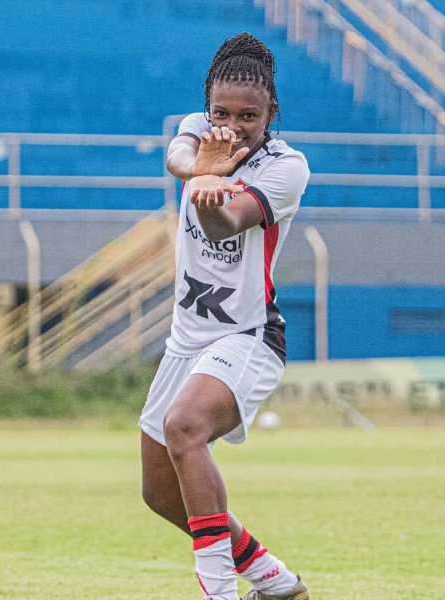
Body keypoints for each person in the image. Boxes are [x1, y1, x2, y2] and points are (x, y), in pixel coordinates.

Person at [141, 32, 311, 599]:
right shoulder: (198, 128)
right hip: (185, 342)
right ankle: (274, 580)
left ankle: (219, 593)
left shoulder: (286, 166)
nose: (233, 124)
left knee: (184, 426)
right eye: (222, 112)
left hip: (249, 335)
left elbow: (225, 222)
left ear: (272, 113)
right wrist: (199, 167)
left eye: (249, 115)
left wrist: (211, 179)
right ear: (207, 105)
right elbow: (176, 156)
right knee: (162, 495)